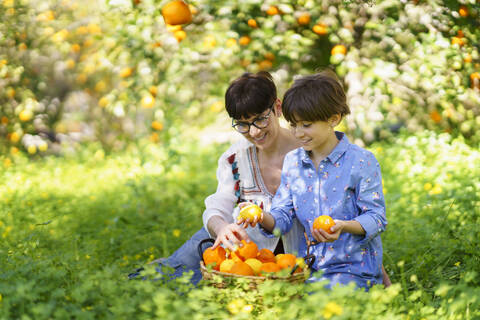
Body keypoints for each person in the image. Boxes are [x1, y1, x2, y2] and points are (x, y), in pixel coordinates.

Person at [129, 71, 305, 283]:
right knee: (169, 276)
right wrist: (222, 228)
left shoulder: (308, 150)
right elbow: (217, 207)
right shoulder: (236, 158)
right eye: (243, 124)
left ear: (277, 107)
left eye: (260, 119)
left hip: (290, 259)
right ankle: (153, 272)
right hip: (242, 252)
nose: (254, 132)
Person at [238, 70, 388, 290]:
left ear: (333, 119)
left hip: (353, 268)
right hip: (308, 269)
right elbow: (282, 216)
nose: (298, 133)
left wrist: (343, 226)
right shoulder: (293, 162)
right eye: (293, 124)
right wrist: (261, 216)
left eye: (306, 125)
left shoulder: (361, 161)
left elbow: (376, 217)